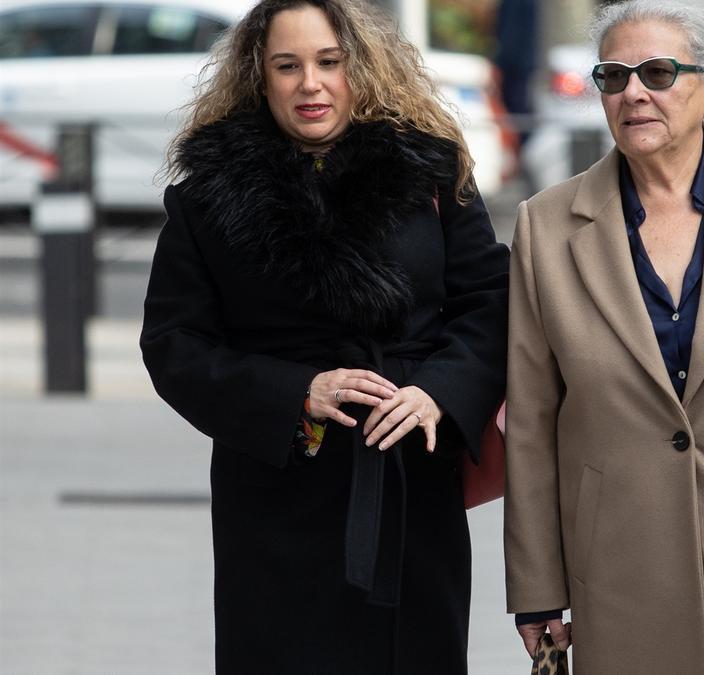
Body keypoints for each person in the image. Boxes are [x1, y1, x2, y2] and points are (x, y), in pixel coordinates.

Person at [139, 0, 508, 672]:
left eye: (328, 62)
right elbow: (173, 343)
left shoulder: (431, 171)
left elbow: (489, 302)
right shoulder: (207, 199)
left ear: (359, 68)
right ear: (261, 76)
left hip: (408, 481)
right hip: (278, 497)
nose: (311, 82)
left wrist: (437, 392)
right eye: (288, 65)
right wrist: (295, 391)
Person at [502, 1, 704, 672]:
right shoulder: (546, 226)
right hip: (617, 572)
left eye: (656, 72)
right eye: (614, 77)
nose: (633, 93)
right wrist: (537, 593)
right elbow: (531, 422)